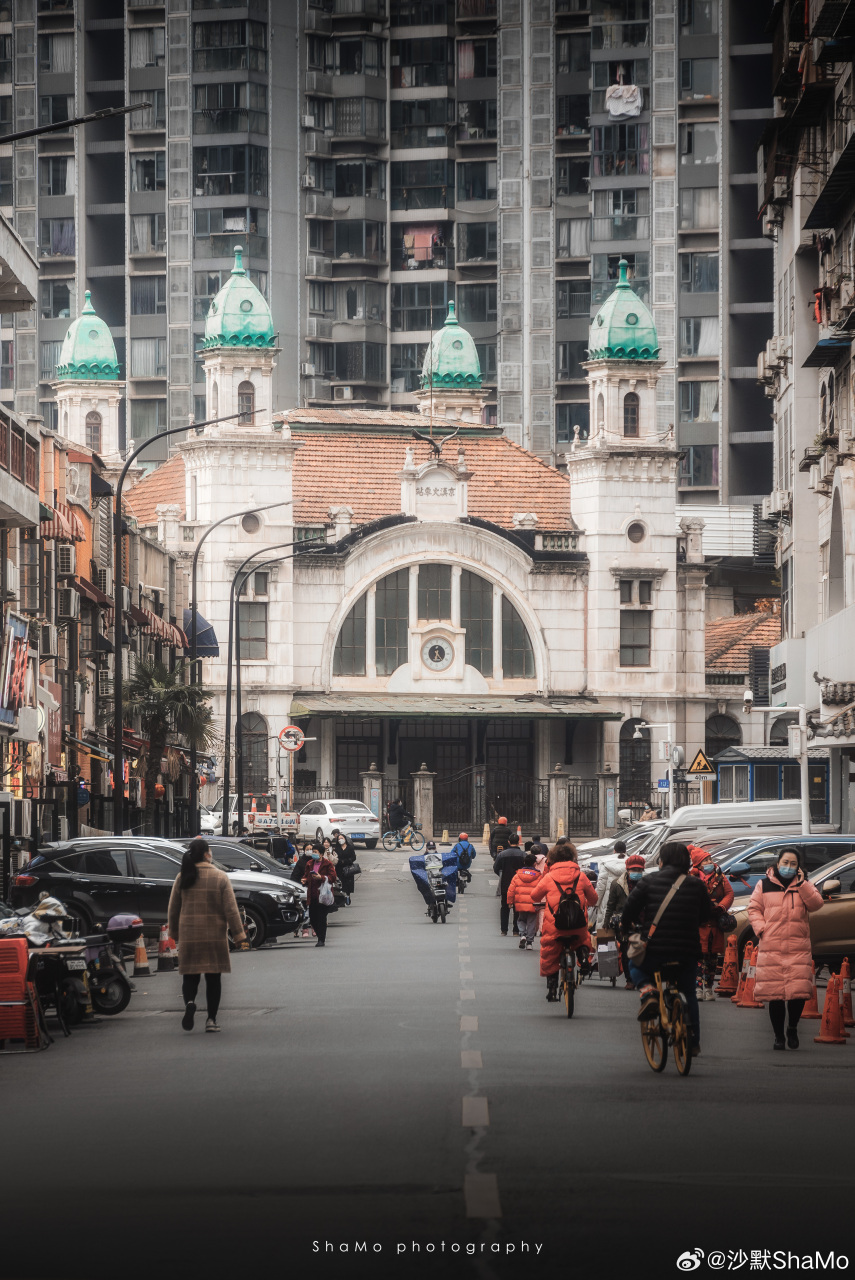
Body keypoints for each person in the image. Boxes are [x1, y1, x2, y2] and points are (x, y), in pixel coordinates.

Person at [620, 842, 713, 1055]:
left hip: (655, 951)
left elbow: (629, 910)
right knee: (688, 992)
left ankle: (648, 992)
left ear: (661, 861)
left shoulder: (648, 882)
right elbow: (706, 915)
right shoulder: (697, 885)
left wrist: (625, 928)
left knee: (634, 962)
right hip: (687, 952)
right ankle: (693, 1042)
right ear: (686, 862)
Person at [747, 848, 824, 1050]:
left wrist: (802, 884)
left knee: (797, 993)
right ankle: (779, 1036)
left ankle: (792, 1028)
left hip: (798, 947)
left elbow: (817, 904)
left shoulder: (804, 885)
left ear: (798, 867)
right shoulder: (764, 884)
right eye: (785, 862)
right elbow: (754, 908)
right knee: (776, 995)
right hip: (772, 946)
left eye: (793, 863)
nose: (788, 867)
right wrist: (762, 929)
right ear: (777, 862)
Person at [167, 836, 246, 1033]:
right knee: (213, 979)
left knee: (190, 976)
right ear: (205, 854)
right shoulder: (220, 877)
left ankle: (190, 1003)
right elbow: (231, 909)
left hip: (189, 934)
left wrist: (174, 932)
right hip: (214, 935)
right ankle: (211, 1019)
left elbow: (173, 908)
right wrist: (239, 935)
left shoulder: (182, 877)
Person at [531, 843, 598, 1000]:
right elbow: (594, 899)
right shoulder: (581, 877)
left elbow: (534, 896)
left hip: (555, 926)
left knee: (550, 951)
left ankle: (552, 988)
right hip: (578, 925)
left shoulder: (549, 877)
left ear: (553, 859)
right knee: (582, 940)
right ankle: (582, 956)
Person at [690, 846, 735, 1001]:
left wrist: (721, 907)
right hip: (700, 924)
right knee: (699, 958)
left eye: (710, 859)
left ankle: (709, 988)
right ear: (698, 865)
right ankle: (697, 988)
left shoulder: (721, 877)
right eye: (706, 860)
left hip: (715, 923)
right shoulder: (692, 878)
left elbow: (729, 894)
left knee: (713, 958)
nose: (710, 862)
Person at [606, 852, 646, 988]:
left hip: (643, 921)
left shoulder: (647, 884)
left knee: (642, 951)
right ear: (627, 870)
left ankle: (640, 977)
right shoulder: (617, 884)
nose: (636, 872)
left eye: (639, 870)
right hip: (623, 921)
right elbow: (610, 905)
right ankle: (629, 979)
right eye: (634, 870)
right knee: (625, 950)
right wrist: (606, 923)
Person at [301, 843, 338, 947]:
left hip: (323, 895)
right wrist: (304, 880)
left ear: (321, 854)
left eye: (315, 852)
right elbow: (305, 876)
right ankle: (319, 935)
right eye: (313, 852)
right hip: (312, 894)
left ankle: (321, 939)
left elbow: (333, 877)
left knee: (321, 918)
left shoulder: (327, 864)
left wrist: (321, 877)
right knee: (312, 918)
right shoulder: (309, 863)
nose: (313, 854)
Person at [506, 852, 543, 950]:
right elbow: (542, 889)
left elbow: (511, 889)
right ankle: (530, 943)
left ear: (524, 862)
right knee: (531, 922)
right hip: (533, 903)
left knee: (521, 920)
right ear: (535, 864)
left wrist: (510, 902)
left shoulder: (517, 875)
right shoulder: (539, 876)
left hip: (520, 902)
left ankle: (522, 935)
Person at [493, 834, 525, 936]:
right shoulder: (523, 855)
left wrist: (502, 875)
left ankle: (504, 930)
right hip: (519, 884)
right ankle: (516, 930)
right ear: (519, 842)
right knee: (517, 908)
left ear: (508, 842)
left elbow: (496, 868)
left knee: (504, 907)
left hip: (505, 883)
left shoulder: (502, 855)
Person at [594, 839, 628, 931]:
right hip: (625, 899)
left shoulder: (606, 863)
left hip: (608, 900)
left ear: (614, 851)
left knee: (606, 928)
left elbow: (601, 885)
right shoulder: (629, 863)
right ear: (625, 851)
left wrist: (596, 902)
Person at [332, 829, 357, 905]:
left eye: (342, 838)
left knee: (348, 883)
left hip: (348, 868)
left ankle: (348, 895)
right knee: (341, 883)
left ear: (345, 839)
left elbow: (353, 857)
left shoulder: (350, 848)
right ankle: (342, 898)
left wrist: (346, 861)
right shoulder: (336, 848)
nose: (340, 840)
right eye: (339, 839)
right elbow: (335, 858)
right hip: (339, 868)